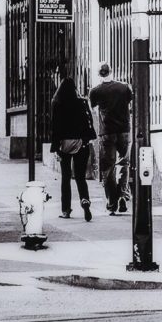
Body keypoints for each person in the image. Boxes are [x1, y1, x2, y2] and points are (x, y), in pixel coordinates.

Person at [50, 76, 97, 221]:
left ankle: (66, 210)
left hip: (64, 143)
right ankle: (84, 200)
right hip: (80, 143)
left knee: (65, 177)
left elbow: (55, 127)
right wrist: (87, 139)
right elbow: (88, 121)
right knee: (80, 177)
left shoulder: (57, 103)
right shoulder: (82, 102)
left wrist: (55, 147)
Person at [89, 63, 132, 215]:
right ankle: (122, 195)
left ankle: (111, 203)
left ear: (99, 74)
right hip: (124, 130)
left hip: (106, 132)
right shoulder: (124, 88)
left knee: (108, 168)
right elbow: (130, 103)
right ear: (112, 72)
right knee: (124, 164)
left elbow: (94, 111)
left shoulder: (95, 91)